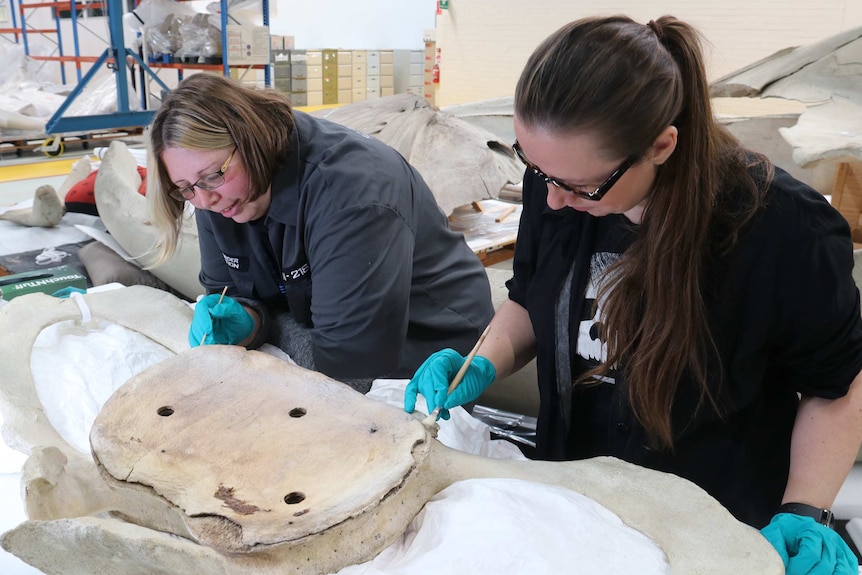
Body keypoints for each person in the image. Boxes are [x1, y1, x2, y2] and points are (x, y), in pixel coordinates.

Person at [403, 15, 862, 574]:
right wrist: (481, 363)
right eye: (537, 170)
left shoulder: (784, 229)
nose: (550, 202)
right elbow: (530, 301)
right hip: (574, 492)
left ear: (662, 145)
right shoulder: (558, 184)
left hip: (712, 518)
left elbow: (834, 385)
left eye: (579, 186)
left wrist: (805, 509)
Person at [148, 72, 494, 391]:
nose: (205, 200)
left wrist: (269, 330)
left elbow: (349, 371)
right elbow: (233, 293)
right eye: (186, 189)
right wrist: (248, 319)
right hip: (320, 335)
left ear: (250, 140)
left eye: (212, 177)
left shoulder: (353, 194)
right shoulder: (214, 186)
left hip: (425, 354)